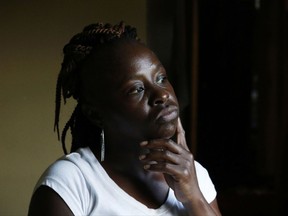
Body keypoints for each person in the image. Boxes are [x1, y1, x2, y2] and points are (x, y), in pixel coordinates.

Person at [28, 22, 222, 216]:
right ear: (95, 113)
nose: (162, 95)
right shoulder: (69, 185)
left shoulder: (193, 174)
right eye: (136, 89)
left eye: (161, 78)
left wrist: (193, 196)